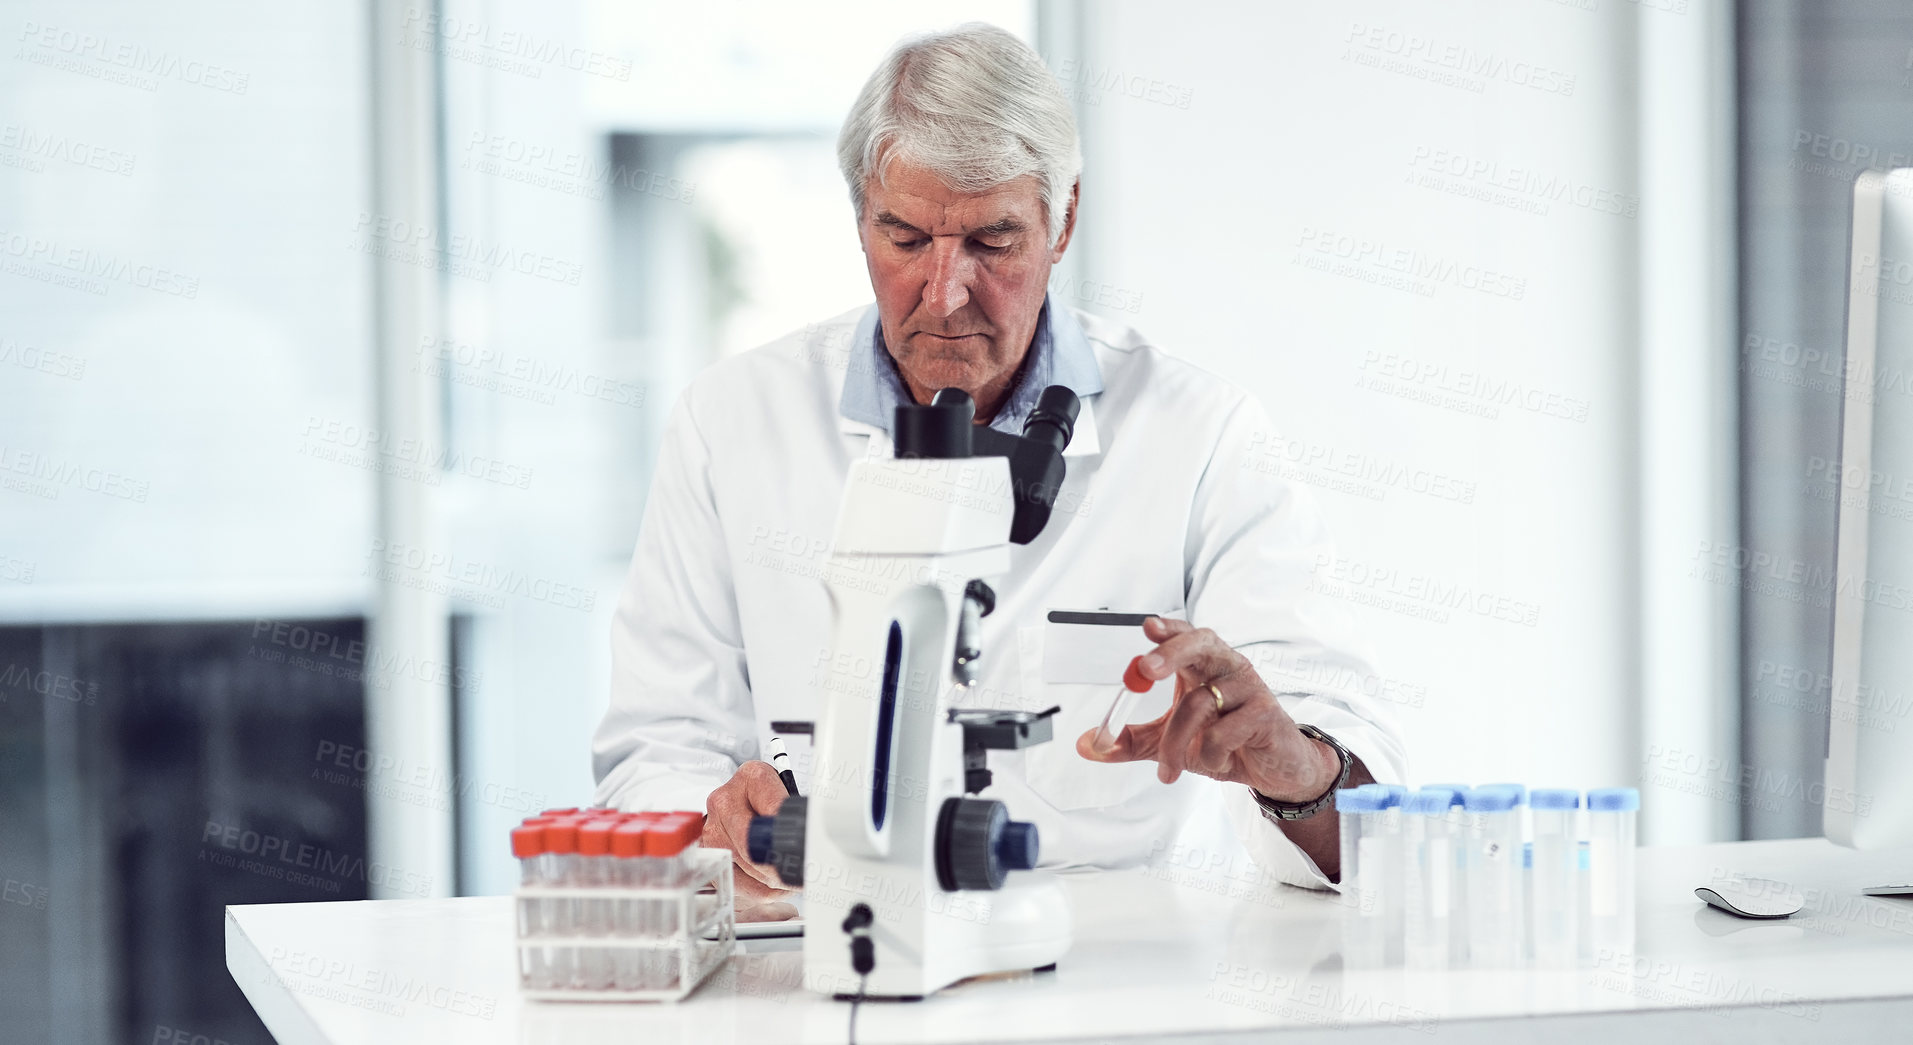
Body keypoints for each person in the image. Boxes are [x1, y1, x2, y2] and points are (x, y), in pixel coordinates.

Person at [592, 23, 1404, 920]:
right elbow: (658, 746)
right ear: (859, 214)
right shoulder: (732, 421)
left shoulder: (1200, 432)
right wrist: (713, 828)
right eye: (904, 238)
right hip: (829, 950)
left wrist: (1294, 766)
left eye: (991, 241)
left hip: (1115, 974)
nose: (944, 292)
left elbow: (1357, 822)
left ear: (1063, 223)